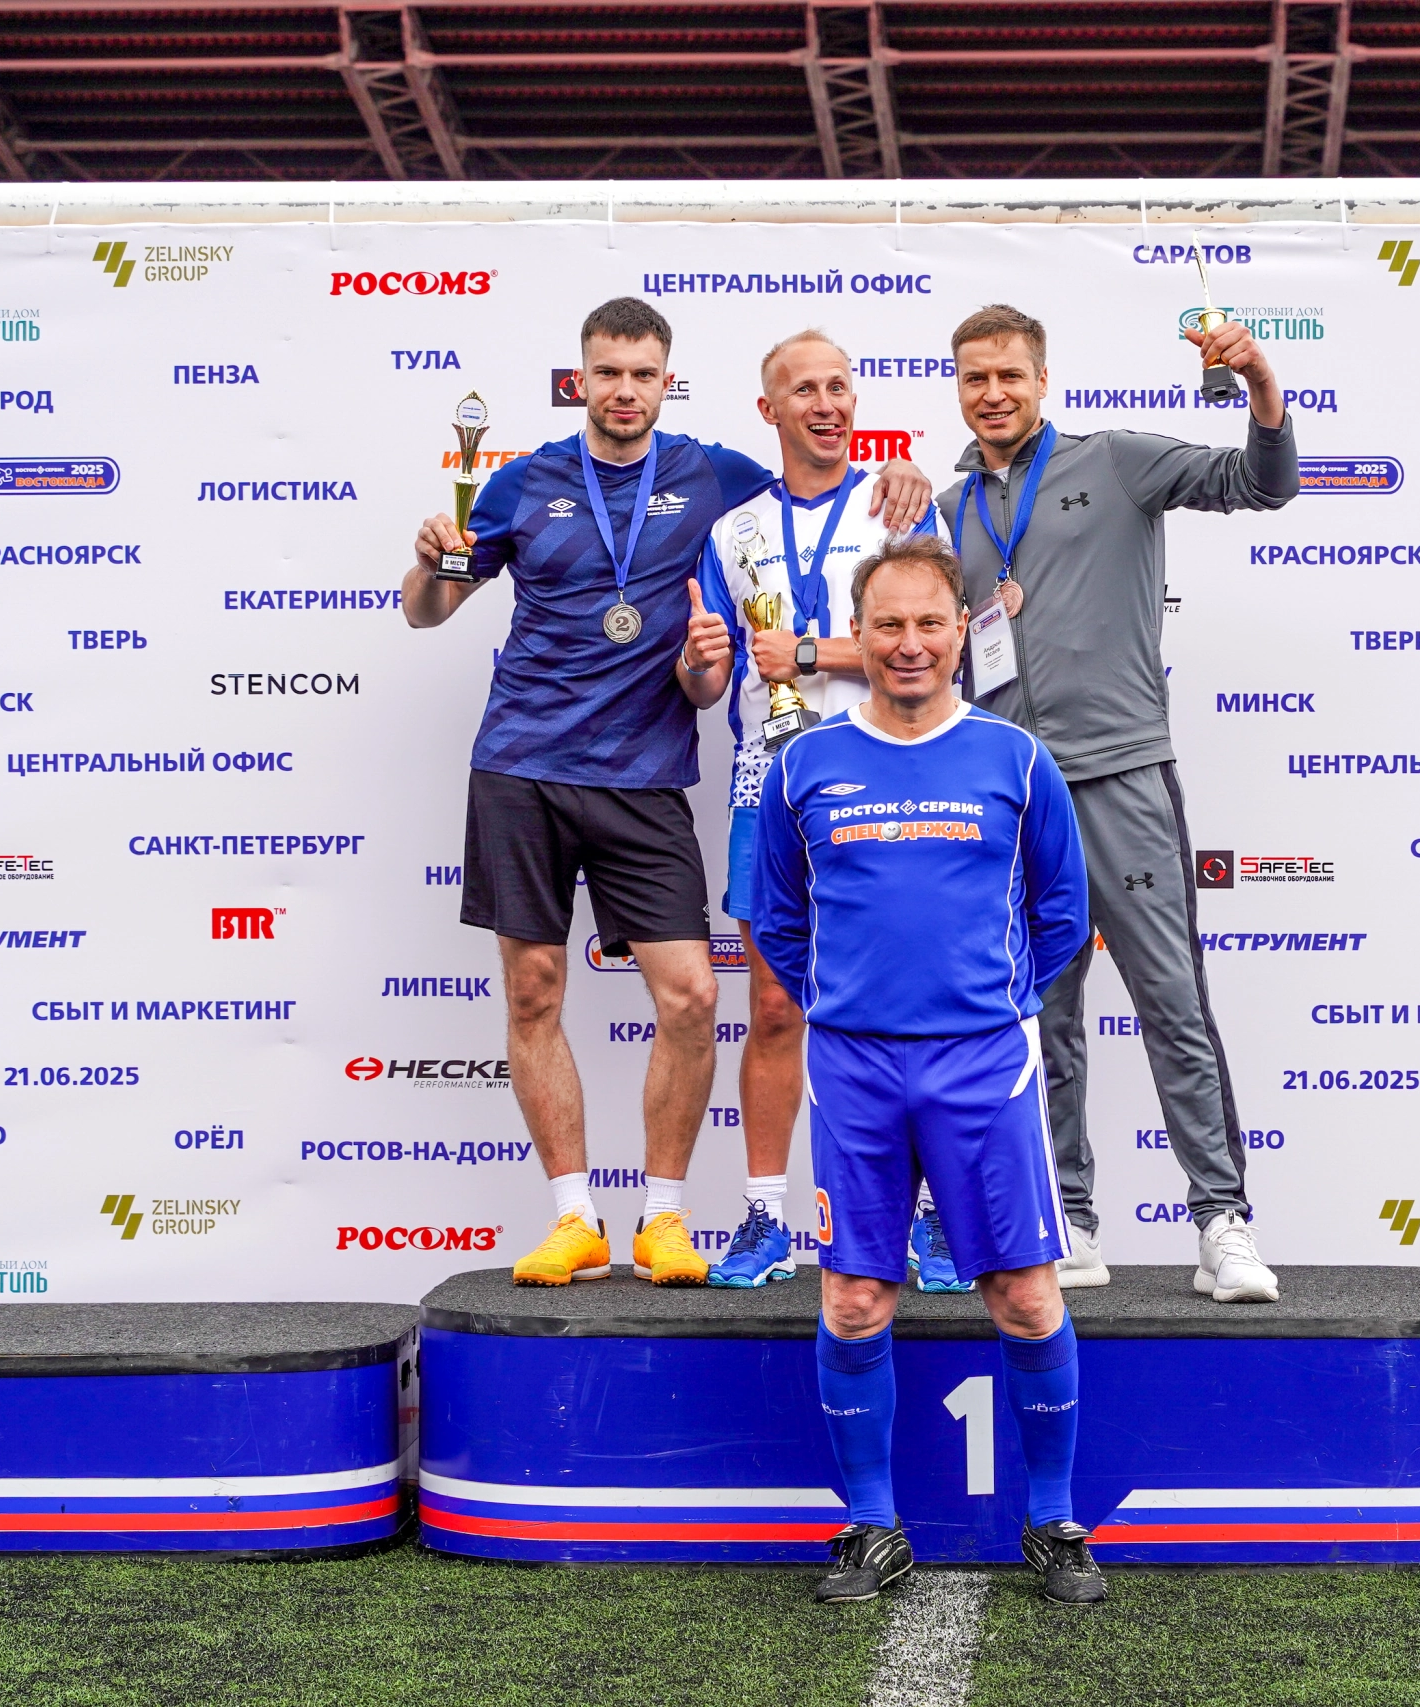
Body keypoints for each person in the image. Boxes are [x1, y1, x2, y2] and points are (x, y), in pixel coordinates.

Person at [401, 295, 929, 1289]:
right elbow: (427, 613)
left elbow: (816, 479)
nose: (625, 390)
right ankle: (573, 1217)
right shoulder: (519, 482)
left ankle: (664, 1217)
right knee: (533, 989)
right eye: (608, 373)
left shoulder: (712, 476)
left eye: (643, 374)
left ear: (665, 381)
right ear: (581, 379)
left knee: (691, 995)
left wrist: (900, 476)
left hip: (644, 774)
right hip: (521, 764)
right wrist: (430, 563)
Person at [753, 534, 1103, 1605]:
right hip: (853, 1069)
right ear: (857, 637)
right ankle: (871, 1526)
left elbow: (1062, 915)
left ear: (961, 631)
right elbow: (779, 919)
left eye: (929, 623)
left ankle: (1054, 1522)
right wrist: (854, 1005)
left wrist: (984, 1004)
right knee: (856, 1298)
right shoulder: (803, 765)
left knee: (1025, 1297)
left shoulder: (1017, 761)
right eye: (888, 625)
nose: (909, 644)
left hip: (984, 1066)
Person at [937, 303, 1298, 1304]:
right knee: (1041, 1019)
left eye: (1009, 375)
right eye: (974, 378)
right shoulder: (950, 508)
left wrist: (1260, 381)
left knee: (1171, 1003)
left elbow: (1262, 483)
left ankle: (1220, 1221)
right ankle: (1069, 1220)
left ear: (1042, 380)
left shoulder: (1116, 460)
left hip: (1121, 776)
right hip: (1013, 798)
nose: (993, 394)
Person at [676, 329, 967, 1293]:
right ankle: (765, 1218)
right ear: (771, 411)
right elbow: (709, 686)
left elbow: (933, 648)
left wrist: (807, 653)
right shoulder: (734, 530)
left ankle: (928, 1220)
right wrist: (702, 662)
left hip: (891, 782)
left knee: (910, 1002)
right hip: (770, 787)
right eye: (804, 390)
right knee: (772, 1006)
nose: (827, 404)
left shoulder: (898, 508)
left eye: (839, 386)